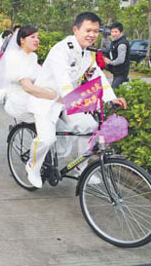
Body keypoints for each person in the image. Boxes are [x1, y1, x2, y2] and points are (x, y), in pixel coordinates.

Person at [26, 12, 127, 188]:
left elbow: (98, 76)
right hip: (46, 100)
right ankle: (32, 166)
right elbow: (63, 79)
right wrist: (75, 100)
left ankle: (82, 169)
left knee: (90, 127)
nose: (92, 35)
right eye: (88, 30)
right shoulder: (61, 49)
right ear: (75, 29)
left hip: (67, 101)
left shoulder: (87, 54)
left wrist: (112, 98)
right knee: (47, 139)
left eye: (96, 31)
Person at [104, 22, 130, 88]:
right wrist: (105, 37)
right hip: (116, 71)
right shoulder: (116, 41)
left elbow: (120, 60)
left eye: (116, 32)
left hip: (121, 73)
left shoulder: (122, 44)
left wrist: (109, 62)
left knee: (114, 90)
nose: (113, 34)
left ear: (121, 32)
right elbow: (109, 47)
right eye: (112, 32)